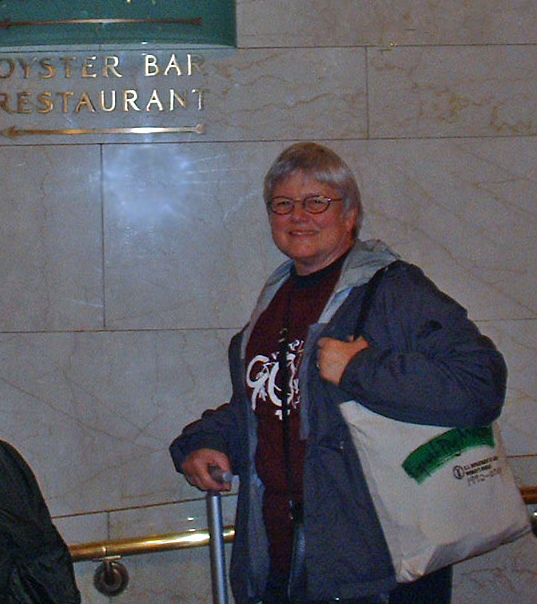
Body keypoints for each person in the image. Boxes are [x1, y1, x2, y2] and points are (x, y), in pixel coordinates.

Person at [170, 142, 507, 604]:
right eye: (283, 204)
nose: (298, 216)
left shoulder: (395, 290)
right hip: (280, 557)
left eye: (316, 202)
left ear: (350, 215)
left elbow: (480, 385)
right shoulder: (275, 300)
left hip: (376, 569)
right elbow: (268, 407)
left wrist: (362, 369)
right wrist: (206, 441)